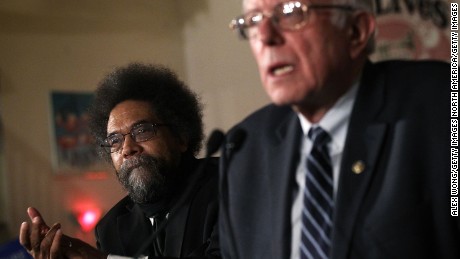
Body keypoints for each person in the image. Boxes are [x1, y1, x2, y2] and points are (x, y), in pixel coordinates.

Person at [220, 0, 460, 258]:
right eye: (254, 21)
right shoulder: (244, 150)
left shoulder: (441, 107)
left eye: (290, 13)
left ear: (356, 30)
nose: (266, 36)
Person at [19, 63, 221, 259]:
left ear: (181, 136)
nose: (127, 149)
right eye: (115, 140)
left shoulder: (229, 185)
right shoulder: (112, 228)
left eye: (142, 131)